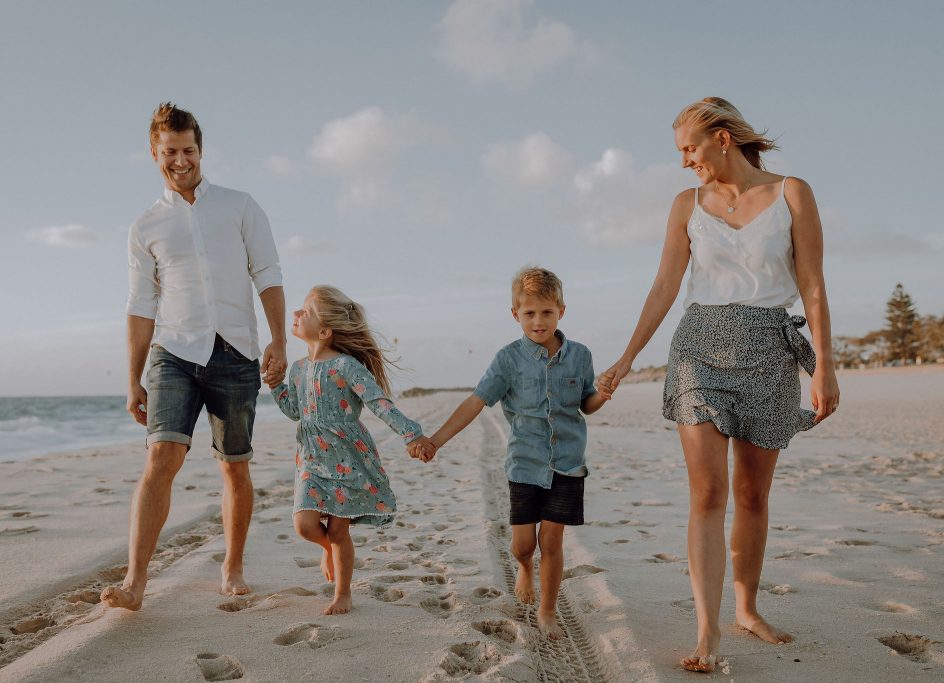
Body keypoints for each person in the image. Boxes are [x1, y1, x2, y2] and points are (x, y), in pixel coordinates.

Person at [597, 97, 840, 672]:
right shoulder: (687, 204)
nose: (684, 161)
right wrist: (628, 356)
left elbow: (813, 286)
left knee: (753, 494)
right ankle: (707, 632)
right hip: (698, 351)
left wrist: (824, 366)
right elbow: (663, 286)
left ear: (723, 138)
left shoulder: (793, 193)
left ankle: (748, 609)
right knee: (708, 493)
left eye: (689, 148)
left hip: (769, 351)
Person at [100, 103, 287, 611]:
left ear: (200, 150)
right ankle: (135, 582)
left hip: (236, 351)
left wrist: (278, 340)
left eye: (188, 151)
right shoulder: (146, 226)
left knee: (234, 468)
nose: (179, 161)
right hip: (173, 352)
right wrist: (133, 378)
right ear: (154, 154)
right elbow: (140, 306)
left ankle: (233, 567)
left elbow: (267, 272)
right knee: (160, 458)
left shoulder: (240, 205)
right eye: (169, 152)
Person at [425, 267, 608, 639]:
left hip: (568, 464)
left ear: (561, 311)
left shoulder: (581, 356)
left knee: (551, 542)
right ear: (515, 315)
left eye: (546, 312)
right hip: (524, 465)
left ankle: (547, 610)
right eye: (529, 313)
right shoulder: (507, 360)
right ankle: (525, 567)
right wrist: (435, 440)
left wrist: (602, 393)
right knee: (524, 545)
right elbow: (476, 402)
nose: (538, 321)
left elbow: (586, 405)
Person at [267, 286, 436, 615]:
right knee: (304, 524)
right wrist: (276, 386)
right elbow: (294, 411)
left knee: (339, 528)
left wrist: (411, 434)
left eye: (306, 312)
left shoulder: (347, 367)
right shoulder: (298, 369)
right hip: (312, 458)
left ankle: (342, 592)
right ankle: (326, 548)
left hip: (346, 457)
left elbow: (379, 404)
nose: (296, 315)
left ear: (326, 331)